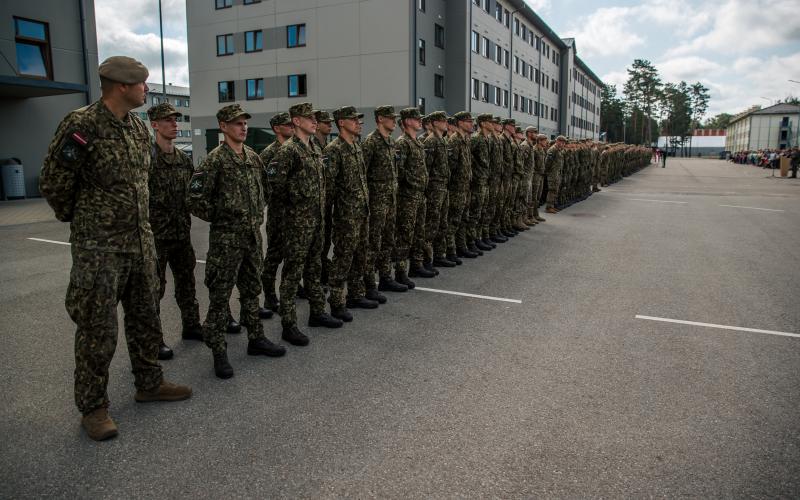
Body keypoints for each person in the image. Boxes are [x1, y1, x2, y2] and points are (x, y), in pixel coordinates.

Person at [40, 55, 192, 441]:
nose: (147, 89)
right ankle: (93, 408)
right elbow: (55, 183)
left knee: (145, 318)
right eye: (142, 84)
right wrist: (88, 222)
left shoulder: (138, 130)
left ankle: (149, 382)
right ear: (122, 87)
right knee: (98, 331)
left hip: (141, 244)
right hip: (100, 249)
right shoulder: (82, 125)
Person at [188, 104, 286, 379]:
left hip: (252, 237)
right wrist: (223, 218)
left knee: (251, 290)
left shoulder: (253, 158)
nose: (242, 127)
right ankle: (218, 350)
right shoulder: (214, 161)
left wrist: (251, 215)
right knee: (220, 296)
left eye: (244, 123)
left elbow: (264, 191)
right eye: (236, 123)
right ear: (223, 127)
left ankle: (256, 338)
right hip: (226, 240)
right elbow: (194, 200)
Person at [269, 102, 343, 346]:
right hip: (297, 225)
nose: (314, 121)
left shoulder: (312, 149)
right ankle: (289, 325)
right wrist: (290, 219)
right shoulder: (288, 151)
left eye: (314, 117)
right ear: (296, 122)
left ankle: (317, 312)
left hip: (317, 221)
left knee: (314, 268)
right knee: (292, 275)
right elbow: (276, 190)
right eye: (308, 117)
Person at [146, 102, 203, 361]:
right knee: (153, 290)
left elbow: (193, 194)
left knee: (187, 283)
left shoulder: (182, 160)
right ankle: (154, 340)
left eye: (175, 119)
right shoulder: (146, 158)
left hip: (181, 233)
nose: (174, 124)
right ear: (154, 124)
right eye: (167, 120)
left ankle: (191, 326)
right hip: (155, 237)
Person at [325, 106, 376, 322]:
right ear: (341, 123)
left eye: (358, 120)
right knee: (343, 257)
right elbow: (328, 187)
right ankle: (336, 302)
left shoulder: (356, 147)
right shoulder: (334, 150)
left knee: (360, 254)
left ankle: (356, 294)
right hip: (346, 214)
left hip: (362, 211)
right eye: (353, 120)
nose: (358, 123)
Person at [362, 106, 407, 296]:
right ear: (380, 119)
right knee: (373, 243)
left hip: (390, 200)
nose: (394, 121)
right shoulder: (370, 142)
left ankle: (385, 277)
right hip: (376, 202)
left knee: (388, 240)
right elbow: (362, 174)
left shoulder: (390, 142)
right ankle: (369, 283)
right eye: (390, 118)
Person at [260, 112, 294, 314]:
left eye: (292, 123)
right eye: (286, 124)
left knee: (293, 255)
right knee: (274, 256)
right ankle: (270, 297)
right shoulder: (269, 154)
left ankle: (292, 289)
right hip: (278, 214)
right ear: (276, 129)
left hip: (295, 215)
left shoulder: (296, 149)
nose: (291, 127)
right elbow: (265, 186)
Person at [394, 107, 430, 287]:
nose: (420, 122)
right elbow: (399, 171)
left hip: (419, 195)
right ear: (408, 121)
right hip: (407, 196)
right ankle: (401, 272)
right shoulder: (402, 143)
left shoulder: (417, 143)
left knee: (418, 232)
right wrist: (415, 184)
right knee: (404, 234)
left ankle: (416, 264)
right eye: (417, 119)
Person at [416, 111, 454, 274]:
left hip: (443, 187)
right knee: (430, 225)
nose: (446, 122)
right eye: (442, 120)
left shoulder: (442, 141)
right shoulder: (431, 141)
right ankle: (426, 259)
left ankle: (439, 255)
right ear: (434, 123)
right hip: (434, 189)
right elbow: (427, 169)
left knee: (441, 224)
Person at [545, 136, 566, 214]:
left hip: (557, 173)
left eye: (563, 142)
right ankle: (549, 207)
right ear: (557, 141)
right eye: (561, 142)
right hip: (552, 174)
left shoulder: (559, 150)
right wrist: (548, 172)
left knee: (555, 190)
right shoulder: (552, 150)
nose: (562, 144)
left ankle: (552, 206)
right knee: (552, 190)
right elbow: (547, 163)